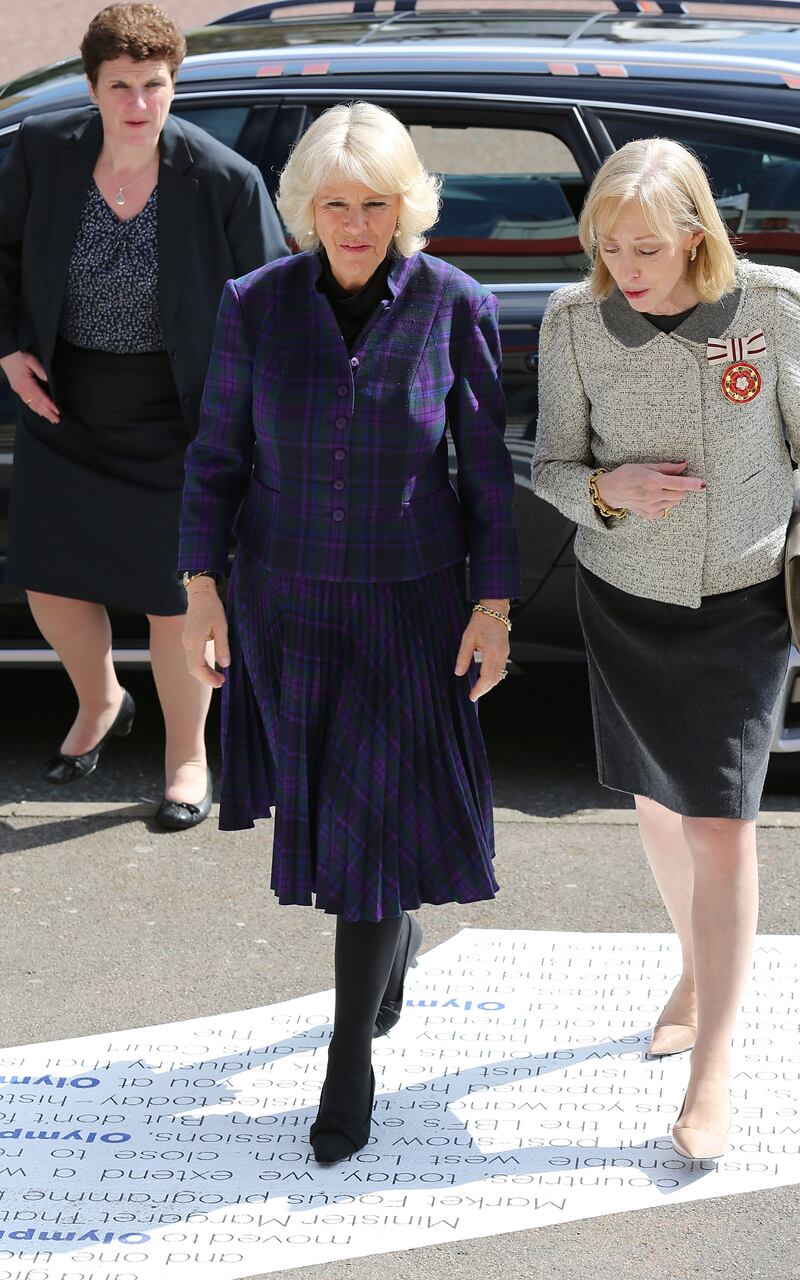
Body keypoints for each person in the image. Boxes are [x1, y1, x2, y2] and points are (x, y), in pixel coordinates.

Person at [179, 101, 520, 1163]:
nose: (357, 223)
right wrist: (200, 587)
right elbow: (215, 459)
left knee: (367, 848)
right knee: (338, 831)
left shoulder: (455, 304)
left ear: (406, 204)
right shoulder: (254, 305)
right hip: (284, 606)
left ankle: (347, 1062)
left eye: (376, 203)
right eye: (336, 204)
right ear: (305, 211)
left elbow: (487, 480)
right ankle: (393, 940)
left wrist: (493, 604)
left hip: (409, 610)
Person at [532, 137, 799, 1161]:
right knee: (654, 802)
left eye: (645, 245)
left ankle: (712, 1068)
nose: (624, 267)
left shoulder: (770, 310)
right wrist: (608, 490)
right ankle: (691, 964)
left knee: (719, 824)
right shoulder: (571, 322)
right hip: (625, 598)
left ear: (696, 231)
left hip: (741, 604)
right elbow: (550, 462)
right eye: (606, 244)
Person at [0, 2, 287, 829]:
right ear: (91, 87)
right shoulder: (42, 153)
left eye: (153, 85)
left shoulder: (224, 179)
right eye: (120, 85)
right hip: (63, 401)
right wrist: (8, 349)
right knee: (50, 583)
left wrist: (249, 429)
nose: (137, 104)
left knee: (176, 599)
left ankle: (186, 760)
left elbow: (267, 307)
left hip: (180, 419)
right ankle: (100, 702)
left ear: (174, 84)